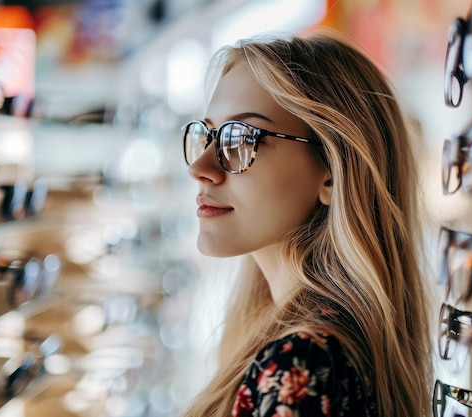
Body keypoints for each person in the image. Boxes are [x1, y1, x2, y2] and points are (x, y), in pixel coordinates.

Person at [181, 30, 433, 417]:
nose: (200, 168)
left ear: (332, 172)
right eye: (208, 136)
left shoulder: (302, 363)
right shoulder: (315, 348)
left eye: (241, 139)